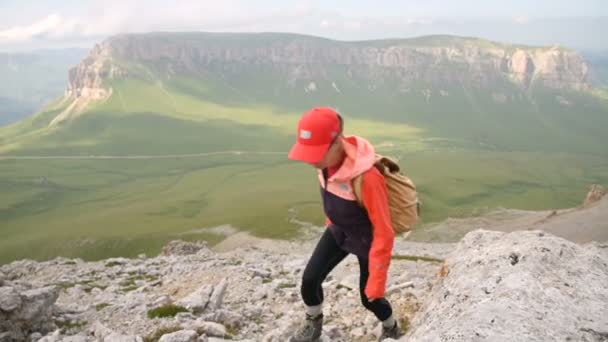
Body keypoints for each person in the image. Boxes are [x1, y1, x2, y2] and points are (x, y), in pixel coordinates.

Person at [287, 107, 404, 341]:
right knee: (309, 281)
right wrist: (331, 223)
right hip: (340, 230)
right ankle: (313, 322)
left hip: (367, 241)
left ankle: (391, 326)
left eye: (316, 152)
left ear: (338, 141)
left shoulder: (368, 177)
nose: (311, 160)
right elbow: (331, 198)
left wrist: (377, 280)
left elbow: (383, 230)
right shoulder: (324, 166)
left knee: (370, 298)